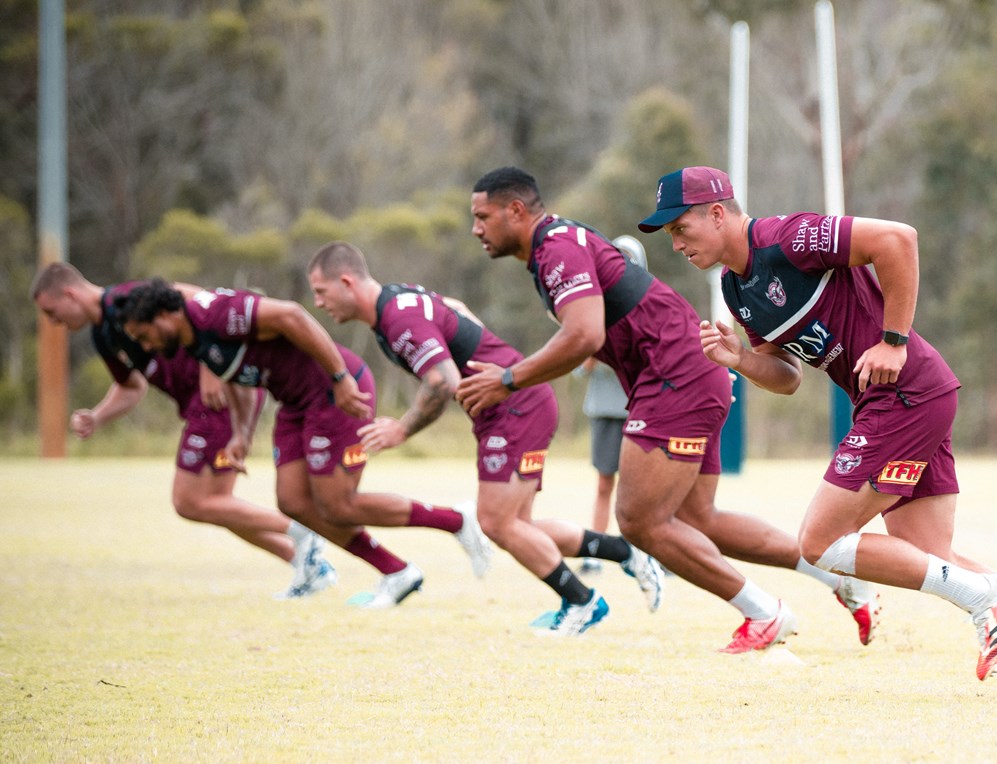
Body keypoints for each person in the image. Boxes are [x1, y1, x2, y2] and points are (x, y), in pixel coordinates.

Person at [640, 166, 997, 701]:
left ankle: (986, 598)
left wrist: (893, 339)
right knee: (930, 554)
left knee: (817, 542)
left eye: (680, 227)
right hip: (911, 397)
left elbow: (897, 239)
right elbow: (788, 378)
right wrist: (742, 359)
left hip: (904, 393)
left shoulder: (787, 237)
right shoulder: (736, 288)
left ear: (717, 213)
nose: (675, 243)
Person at [455, 166, 879, 652]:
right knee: (699, 519)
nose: (476, 229)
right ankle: (836, 579)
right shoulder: (557, 247)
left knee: (639, 521)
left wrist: (508, 380)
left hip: (674, 375)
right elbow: (600, 333)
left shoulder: (556, 246)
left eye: (482, 216)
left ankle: (766, 613)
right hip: (685, 374)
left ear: (515, 210)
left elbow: (583, 335)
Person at [305, 241, 664, 634]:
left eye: (321, 292)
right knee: (517, 524)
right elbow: (455, 308)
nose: (319, 302)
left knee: (495, 522)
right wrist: (486, 347)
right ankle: (623, 552)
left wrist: (401, 429)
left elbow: (443, 381)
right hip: (513, 404)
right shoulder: (398, 300)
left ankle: (583, 602)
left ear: (346, 282)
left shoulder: (397, 317)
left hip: (514, 406)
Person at [118, 279, 492, 609]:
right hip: (296, 402)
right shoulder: (194, 341)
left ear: (163, 316)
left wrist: (341, 377)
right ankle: (397, 572)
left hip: (336, 393)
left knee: (339, 504)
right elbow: (237, 381)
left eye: (143, 335)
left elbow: (292, 315)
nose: (145, 346)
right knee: (294, 503)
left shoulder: (213, 313)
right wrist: (242, 435)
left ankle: (457, 519)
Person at [30, 263, 334, 597]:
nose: (52, 321)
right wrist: (97, 416)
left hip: (217, 402)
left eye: (51, 310)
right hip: (197, 409)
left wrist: (210, 365)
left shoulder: (126, 299)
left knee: (191, 501)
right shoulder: (103, 337)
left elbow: (199, 301)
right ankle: (306, 561)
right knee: (211, 503)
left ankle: (303, 535)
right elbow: (132, 387)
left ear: (70, 294)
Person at [570, 235, 650, 575]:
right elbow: (577, 367)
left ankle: (653, 551)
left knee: (646, 488)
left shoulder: (650, 305)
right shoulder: (590, 308)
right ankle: (598, 549)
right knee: (605, 483)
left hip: (642, 411)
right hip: (605, 410)